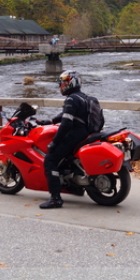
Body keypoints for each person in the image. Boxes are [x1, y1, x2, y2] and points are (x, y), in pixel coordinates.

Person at [39, 70, 96, 209]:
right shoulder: (84, 97)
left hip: (76, 133)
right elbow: (66, 114)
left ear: (69, 84)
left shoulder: (71, 99)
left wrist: (54, 142)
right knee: (66, 159)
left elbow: (66, 124)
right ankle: (75, 188)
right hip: (87, 133)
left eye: (62, 84)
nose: (61, 87)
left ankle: (55, 199)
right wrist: (50, 120)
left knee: (50, 159)